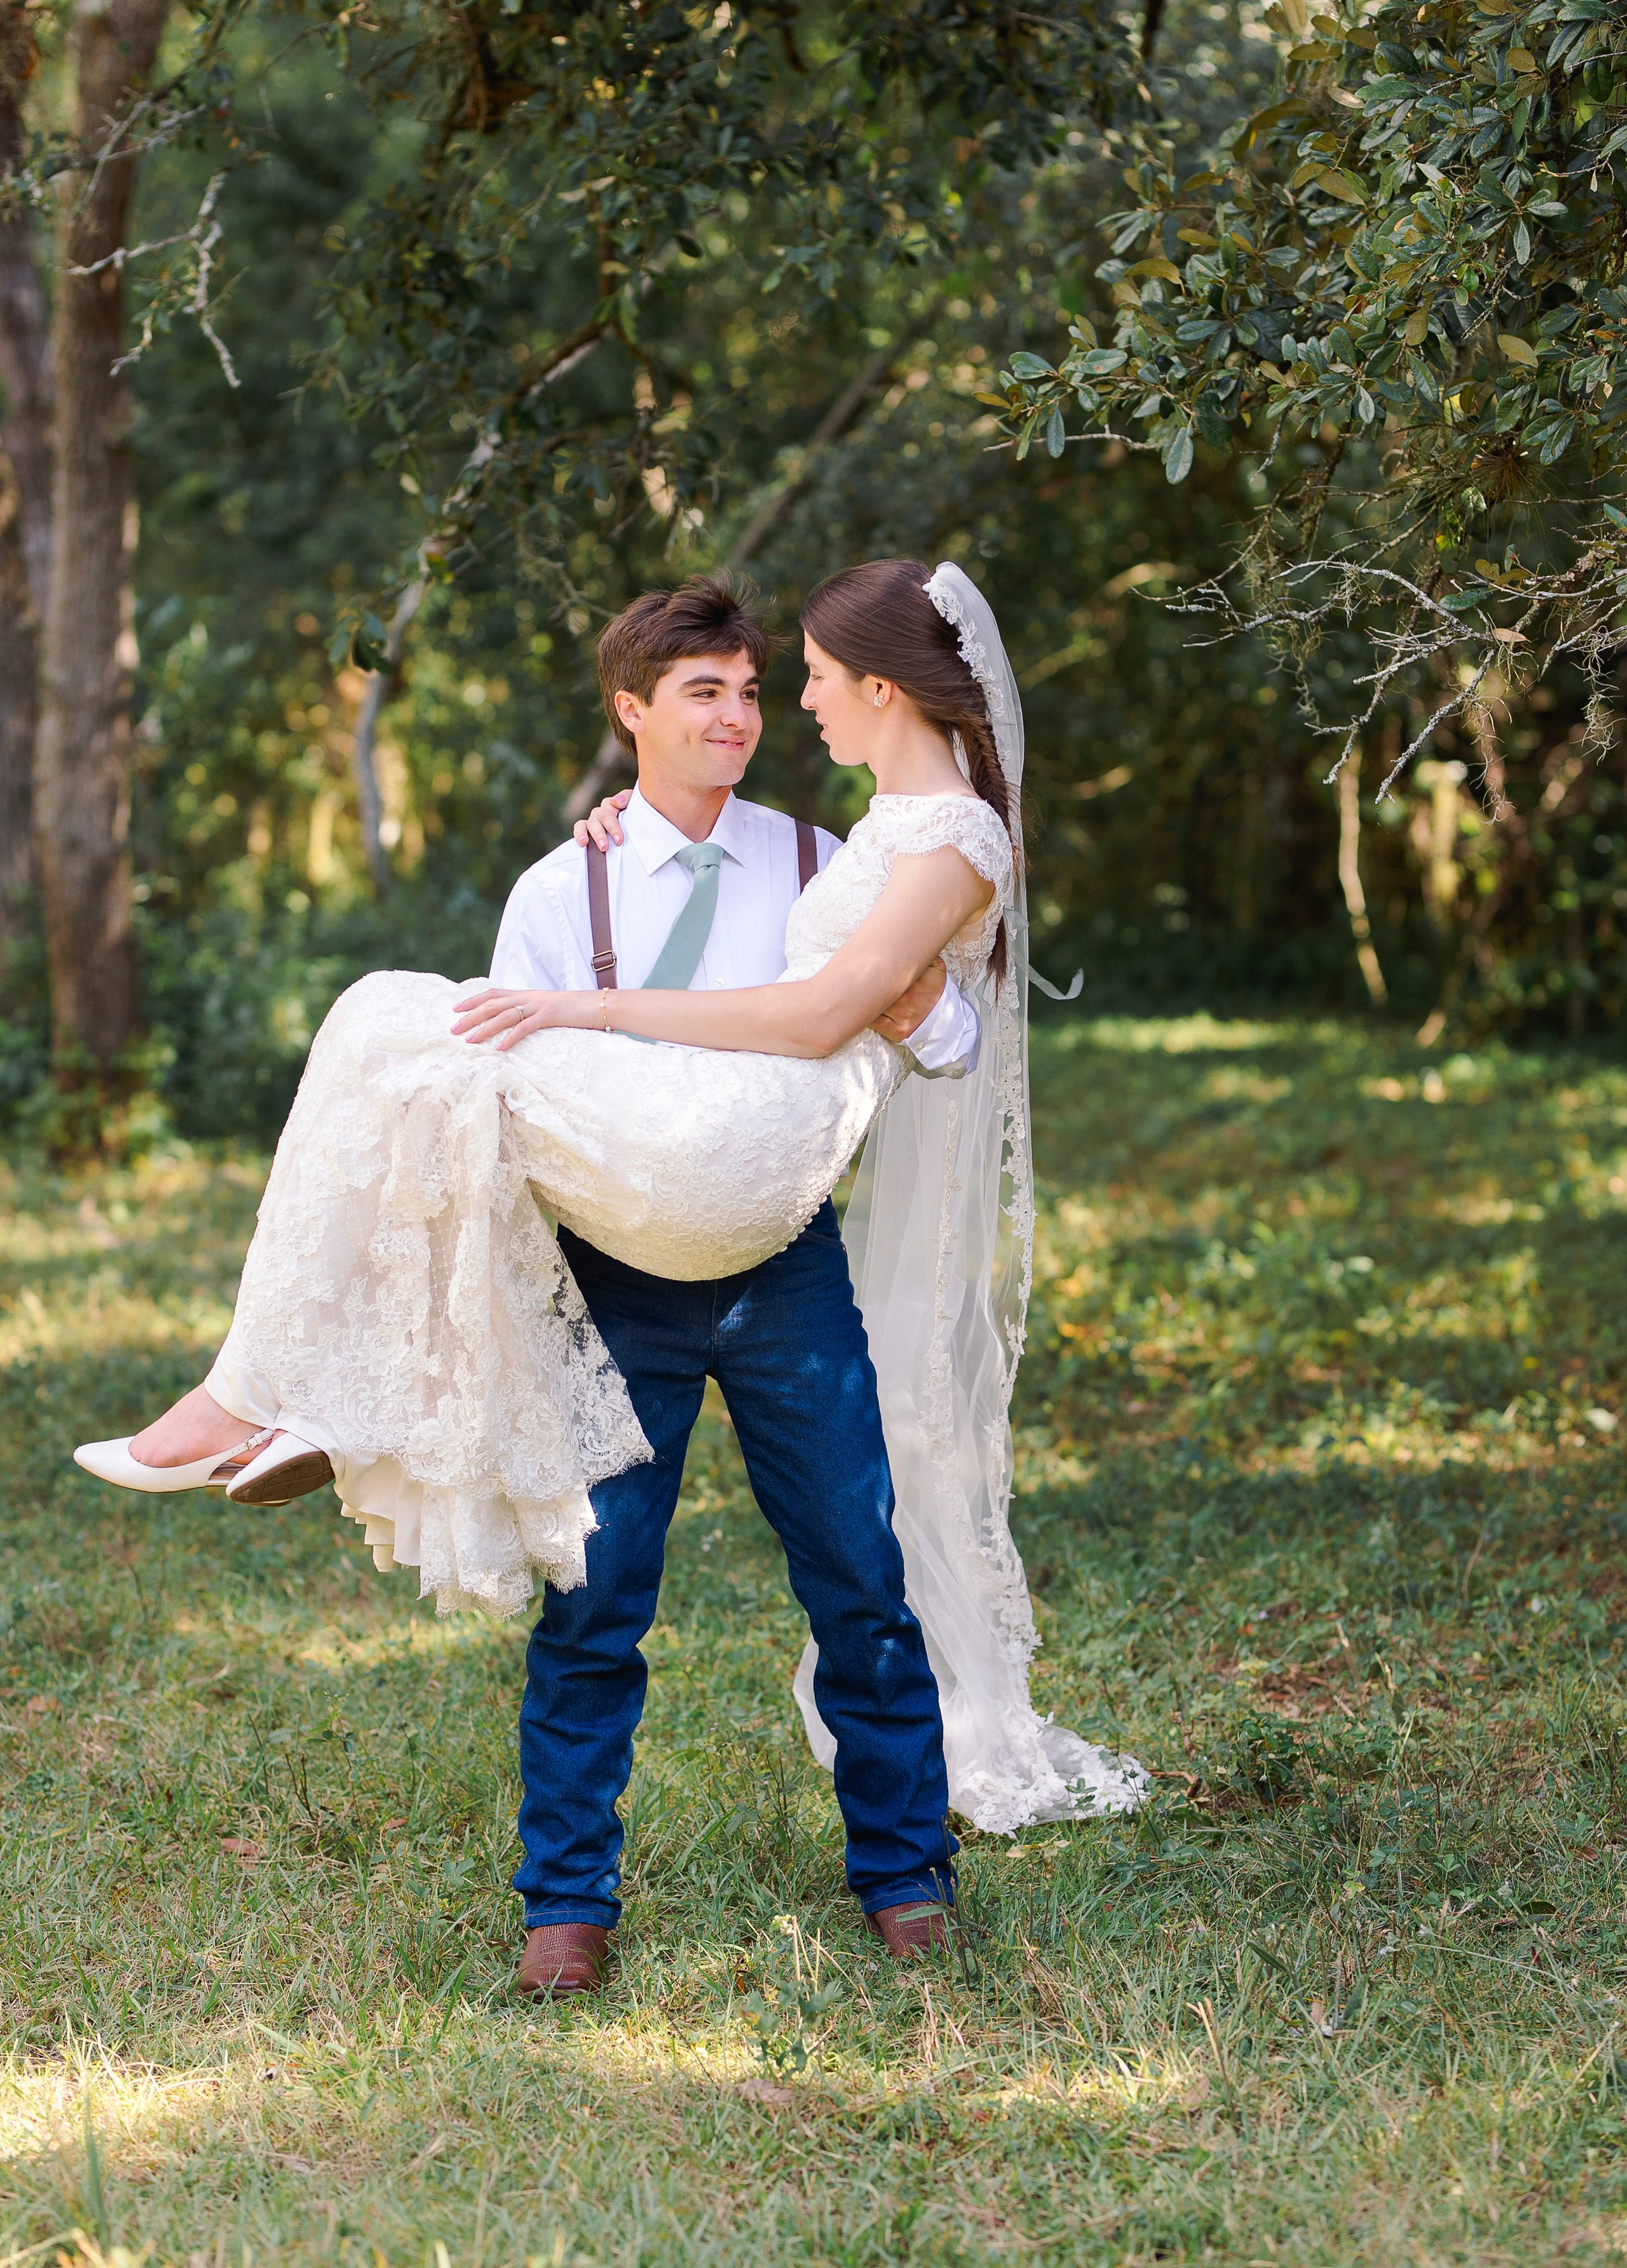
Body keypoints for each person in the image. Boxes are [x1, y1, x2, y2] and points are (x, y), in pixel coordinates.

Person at [74, 557, 1145, 1995]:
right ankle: (563, 1908)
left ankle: (905, 1877)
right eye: (705, 694)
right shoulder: (554, 888)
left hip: (781, 1265)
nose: (742, 719)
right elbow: (509, 1102)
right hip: (614, 1280)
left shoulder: (829, 858)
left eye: (758, 694)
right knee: (594, 1602)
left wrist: (915, 995)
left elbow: (938, 1040)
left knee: (859, 1579)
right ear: (631, 712)